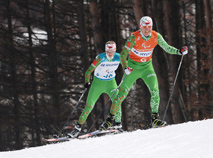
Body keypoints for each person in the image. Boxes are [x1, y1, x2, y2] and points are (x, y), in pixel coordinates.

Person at [100, 16, 188, 130]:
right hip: (133, 68)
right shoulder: (134, 37)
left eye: (149, 27)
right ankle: (109, 119)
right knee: (121, 94)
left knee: (155, 90)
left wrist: (179, 51)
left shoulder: (156, 36)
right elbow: (123, 54)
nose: (147, 29)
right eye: (145, 27)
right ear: (140, 26)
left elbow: (166, 47)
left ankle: (155, 119)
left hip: (147, 68)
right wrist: (125, 66)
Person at [67, 41, 122, 138]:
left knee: (117, 102)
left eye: (112, 51)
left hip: (111, 83)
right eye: (108, 51)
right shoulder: (100, 58)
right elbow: (88, 71)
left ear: (115, 50)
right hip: (98, 84)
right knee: (89, 106)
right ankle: (77, 129)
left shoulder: (118, 57)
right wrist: (87, 82)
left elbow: (129, 64)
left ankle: (118, 125)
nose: (110, 53)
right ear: (105, 50)